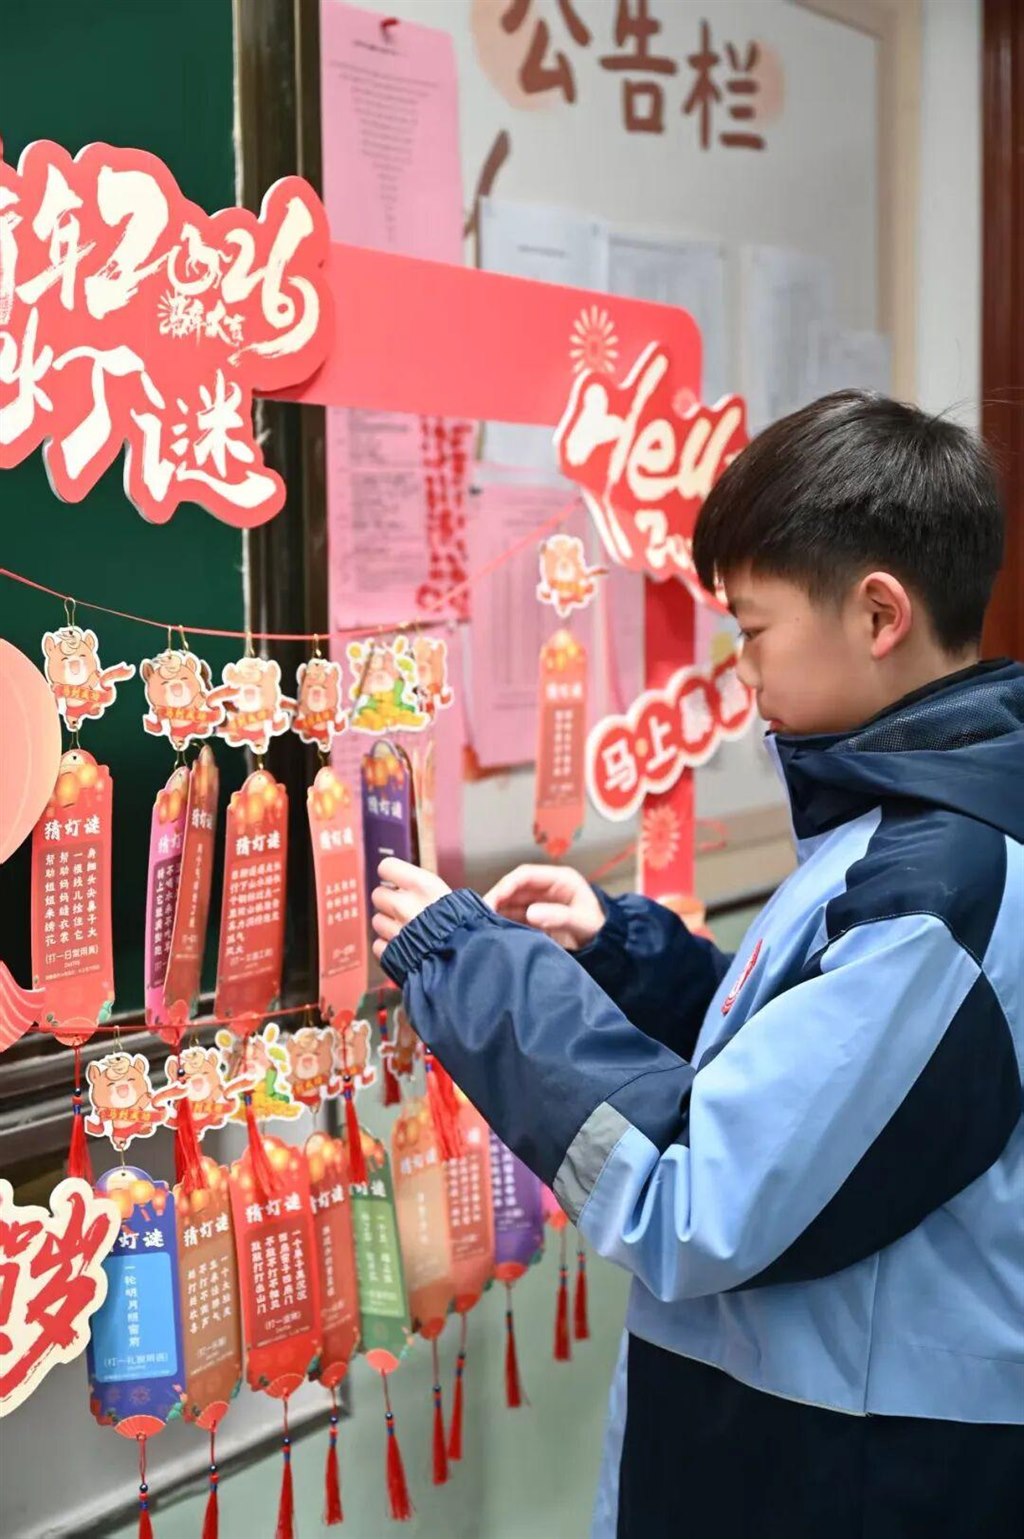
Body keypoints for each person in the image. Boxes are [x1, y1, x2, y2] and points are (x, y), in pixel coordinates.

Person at [370, 392, 1024, 1539]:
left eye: (753, 628)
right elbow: (812, 1067)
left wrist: (471, 968)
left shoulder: (939, 884)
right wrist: (626, 957)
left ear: (878, 613)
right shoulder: (898, 834)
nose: (739, 663)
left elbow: (695, 1197)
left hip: (851, 1470)